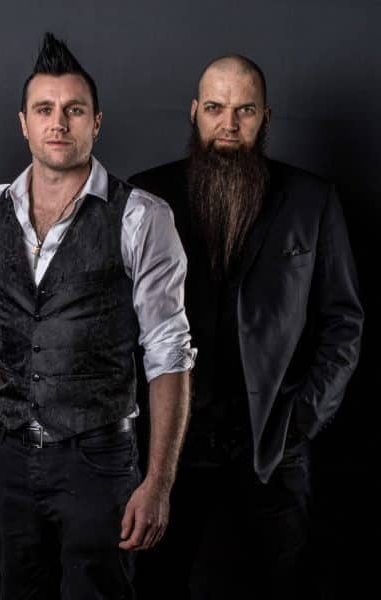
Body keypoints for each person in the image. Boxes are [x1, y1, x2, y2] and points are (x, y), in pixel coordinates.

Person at [0, 33, 195, 599]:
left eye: (74, 110)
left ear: (96, 122)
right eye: (44, 109)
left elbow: (169, 357)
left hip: (99, 462)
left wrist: (159, 482)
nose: (58, 122)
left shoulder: (141, 217)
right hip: (8, 458)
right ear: (24, 123)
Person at [129, 55, 364, 599]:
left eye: (245, 111)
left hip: (274, 446)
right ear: (194, 112)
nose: (229, 125)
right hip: (170, 447)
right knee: (155, 587)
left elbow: (344, 322)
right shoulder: (146, 196)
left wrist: (302, 421)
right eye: (215, 108)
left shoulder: (312, 200)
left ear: (266, 117)